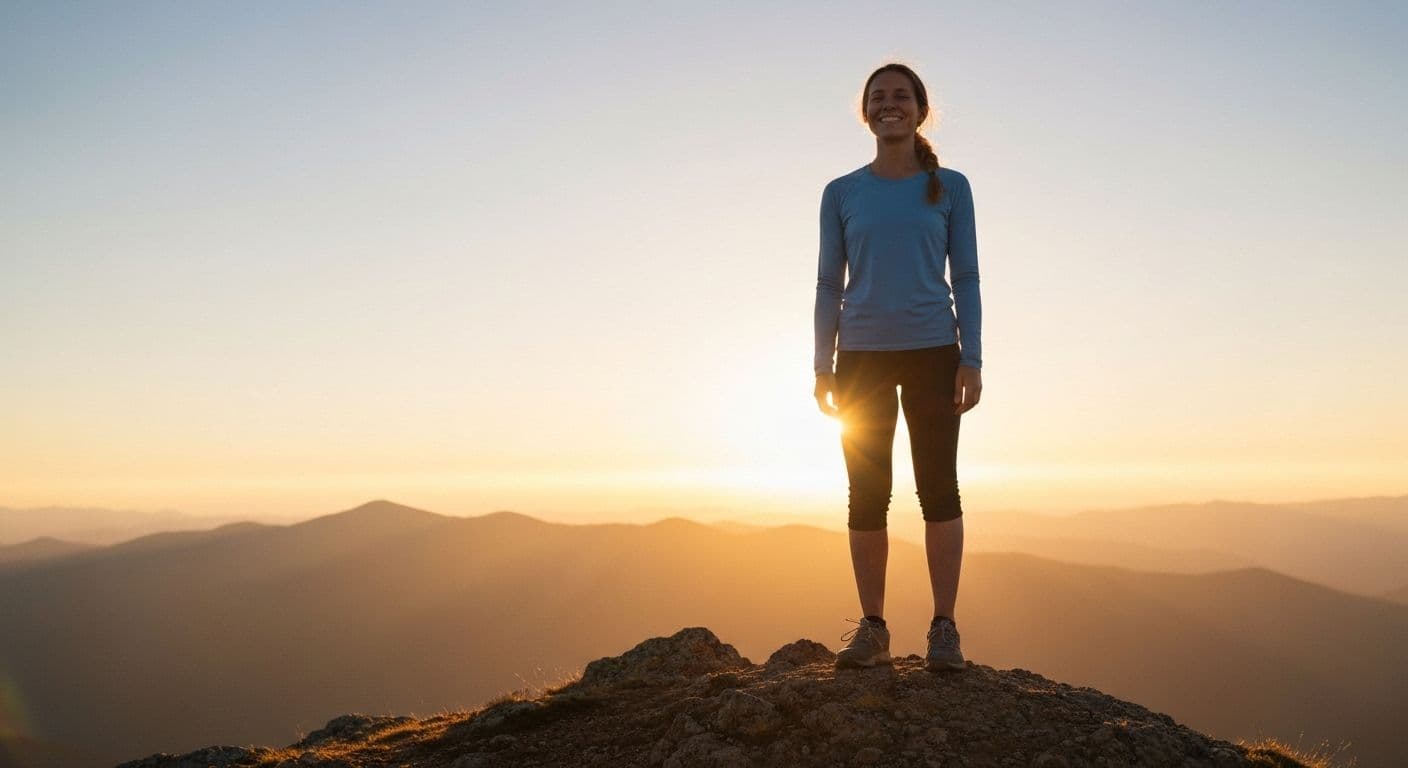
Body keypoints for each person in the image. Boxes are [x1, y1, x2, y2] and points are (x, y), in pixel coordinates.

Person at [812, 62, 982, 673]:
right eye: (879, 97)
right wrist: (821, 365)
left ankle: (945, 630)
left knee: (939, 490)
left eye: (901, 96)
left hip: (935, 350)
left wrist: (973, 356)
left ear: (920, 109)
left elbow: (965, 276)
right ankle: (874, 629)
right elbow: (830, 282)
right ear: (865, 112)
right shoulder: (841, 192)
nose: (891, 105)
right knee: (867, 494)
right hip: (859, 356)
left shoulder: (952, 187)